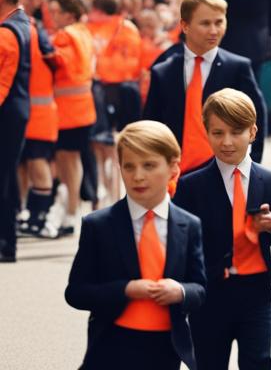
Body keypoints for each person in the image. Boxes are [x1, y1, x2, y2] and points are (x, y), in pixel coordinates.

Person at [64, 120, 207, 370]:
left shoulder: (189, 225)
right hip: (112, 345)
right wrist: (126, 289)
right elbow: (76, 292)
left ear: (174, 167)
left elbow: (200, 288)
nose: (137, 175)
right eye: (128, 166)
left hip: (165, 349)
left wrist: (181, 291)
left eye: (149, 165)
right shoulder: (99, 225)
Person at [173, 89, 271, 370]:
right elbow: (179, 241)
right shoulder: (192, 185)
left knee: (259, 362)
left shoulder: (270, 180)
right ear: (207, 133)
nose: (226, 142)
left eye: (236, 132)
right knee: (209, 363)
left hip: (256, 292)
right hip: (211, 294)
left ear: (253, 132)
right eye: (217, 133)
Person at [142, 0, 268, 175]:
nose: (214, 31)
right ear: (185, 26)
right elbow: (151, 124)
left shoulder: (237, 68)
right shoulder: (163, 70)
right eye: (205, 23)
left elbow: (257, 117)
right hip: (174, 174)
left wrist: (251, 165)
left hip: (222, 172)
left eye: (219, 22)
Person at [47, 0, 97, 236]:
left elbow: (60, 61)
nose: (53, 17)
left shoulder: (66, 35)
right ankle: (71, 210)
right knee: (70, 159)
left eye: (56, 12)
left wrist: (45, 50)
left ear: (68, 14)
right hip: (81, 106)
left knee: (69, 160)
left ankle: (71, 212)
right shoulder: (83, 32)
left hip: (69, 109)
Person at [88, 0, 142, 208]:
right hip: (103, 89)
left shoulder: (124, 28)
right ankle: (104, 196)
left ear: (99, 10)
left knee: (115, 146)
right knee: (101, 146)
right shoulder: (94, 28)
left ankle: (116, 197)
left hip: (116, 90)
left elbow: (128, 63)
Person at [18, 0, 58, 239]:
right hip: (34, 110)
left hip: (39, 112)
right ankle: (31, 215)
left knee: (37, 163)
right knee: (27, 165)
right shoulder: (33, 31)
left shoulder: (32, 32)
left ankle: (39, 216)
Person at [0, 0, 30, 262]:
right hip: (17, 110)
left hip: (7, 112)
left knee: (4, 178)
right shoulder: (23, 23)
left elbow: (2, 82)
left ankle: (5, 242)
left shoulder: (7, 31)